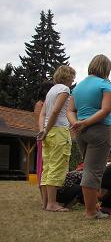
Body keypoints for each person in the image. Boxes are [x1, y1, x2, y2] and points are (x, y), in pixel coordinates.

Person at [67, 54, 111, 219]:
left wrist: (76, 124)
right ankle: (91, 211)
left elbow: (70, 110)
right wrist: (86, 123)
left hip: (81, 133)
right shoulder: (104, 84)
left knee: (88, 167)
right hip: (99, 130)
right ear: (106, 69)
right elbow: (106, 109)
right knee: (93, 171)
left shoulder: (78, 87)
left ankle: (92, 207)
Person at [37, 66, 76, 212]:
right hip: (58, 131)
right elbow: (56, 111)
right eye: (72, 76)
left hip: (49, 133)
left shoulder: (50, 92)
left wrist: (43, 131)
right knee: (56, 166)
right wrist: (46, 130)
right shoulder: (64, 90)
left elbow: (43, 114)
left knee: (47, 168)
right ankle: (52, 204)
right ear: (66, 76)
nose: (73, 79)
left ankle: (46, 203)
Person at [33, 80, 54, 200]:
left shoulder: (47, 104)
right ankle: (44, 198)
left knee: (49, 166)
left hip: (51, 136)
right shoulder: (40, 104)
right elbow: (40, 123)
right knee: (43, 166)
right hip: (43, 137)